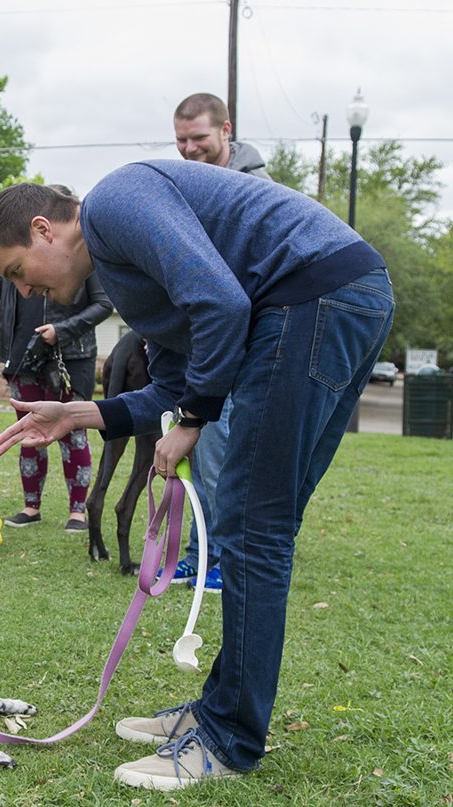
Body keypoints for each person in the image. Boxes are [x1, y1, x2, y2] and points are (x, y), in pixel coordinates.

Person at [0, 166, 393, 789]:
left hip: (314, 297)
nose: (25, 290)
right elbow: (171, 381)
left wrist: (193, 418)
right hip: (337, 298)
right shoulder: (122, 271)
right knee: (259, 528)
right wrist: (79, 413)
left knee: (253, 529)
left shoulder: (113, 205)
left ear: (44, 229)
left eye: (16, 271)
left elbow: (222, 303)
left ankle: (229, 740)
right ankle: (220, 711)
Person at [168, 93, 274, 593]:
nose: (190, 149)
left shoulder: (256, 190)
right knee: (204, 459)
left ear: (226, 131)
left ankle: (226, 559)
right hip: (206, 349)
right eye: (181, 140)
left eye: (200, 139)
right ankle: (198, 553)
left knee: (224, 461)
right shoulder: (189, 190)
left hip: (247, 349)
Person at [0, 185, 112, 533]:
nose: (25, 285)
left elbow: (103, 304)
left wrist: (63, 329)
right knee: (29, 433)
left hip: (69, 360)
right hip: (23, 357)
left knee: (73, 433)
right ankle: (31, 506)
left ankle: (77, 511)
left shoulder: (83, 256)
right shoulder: (17, 266)